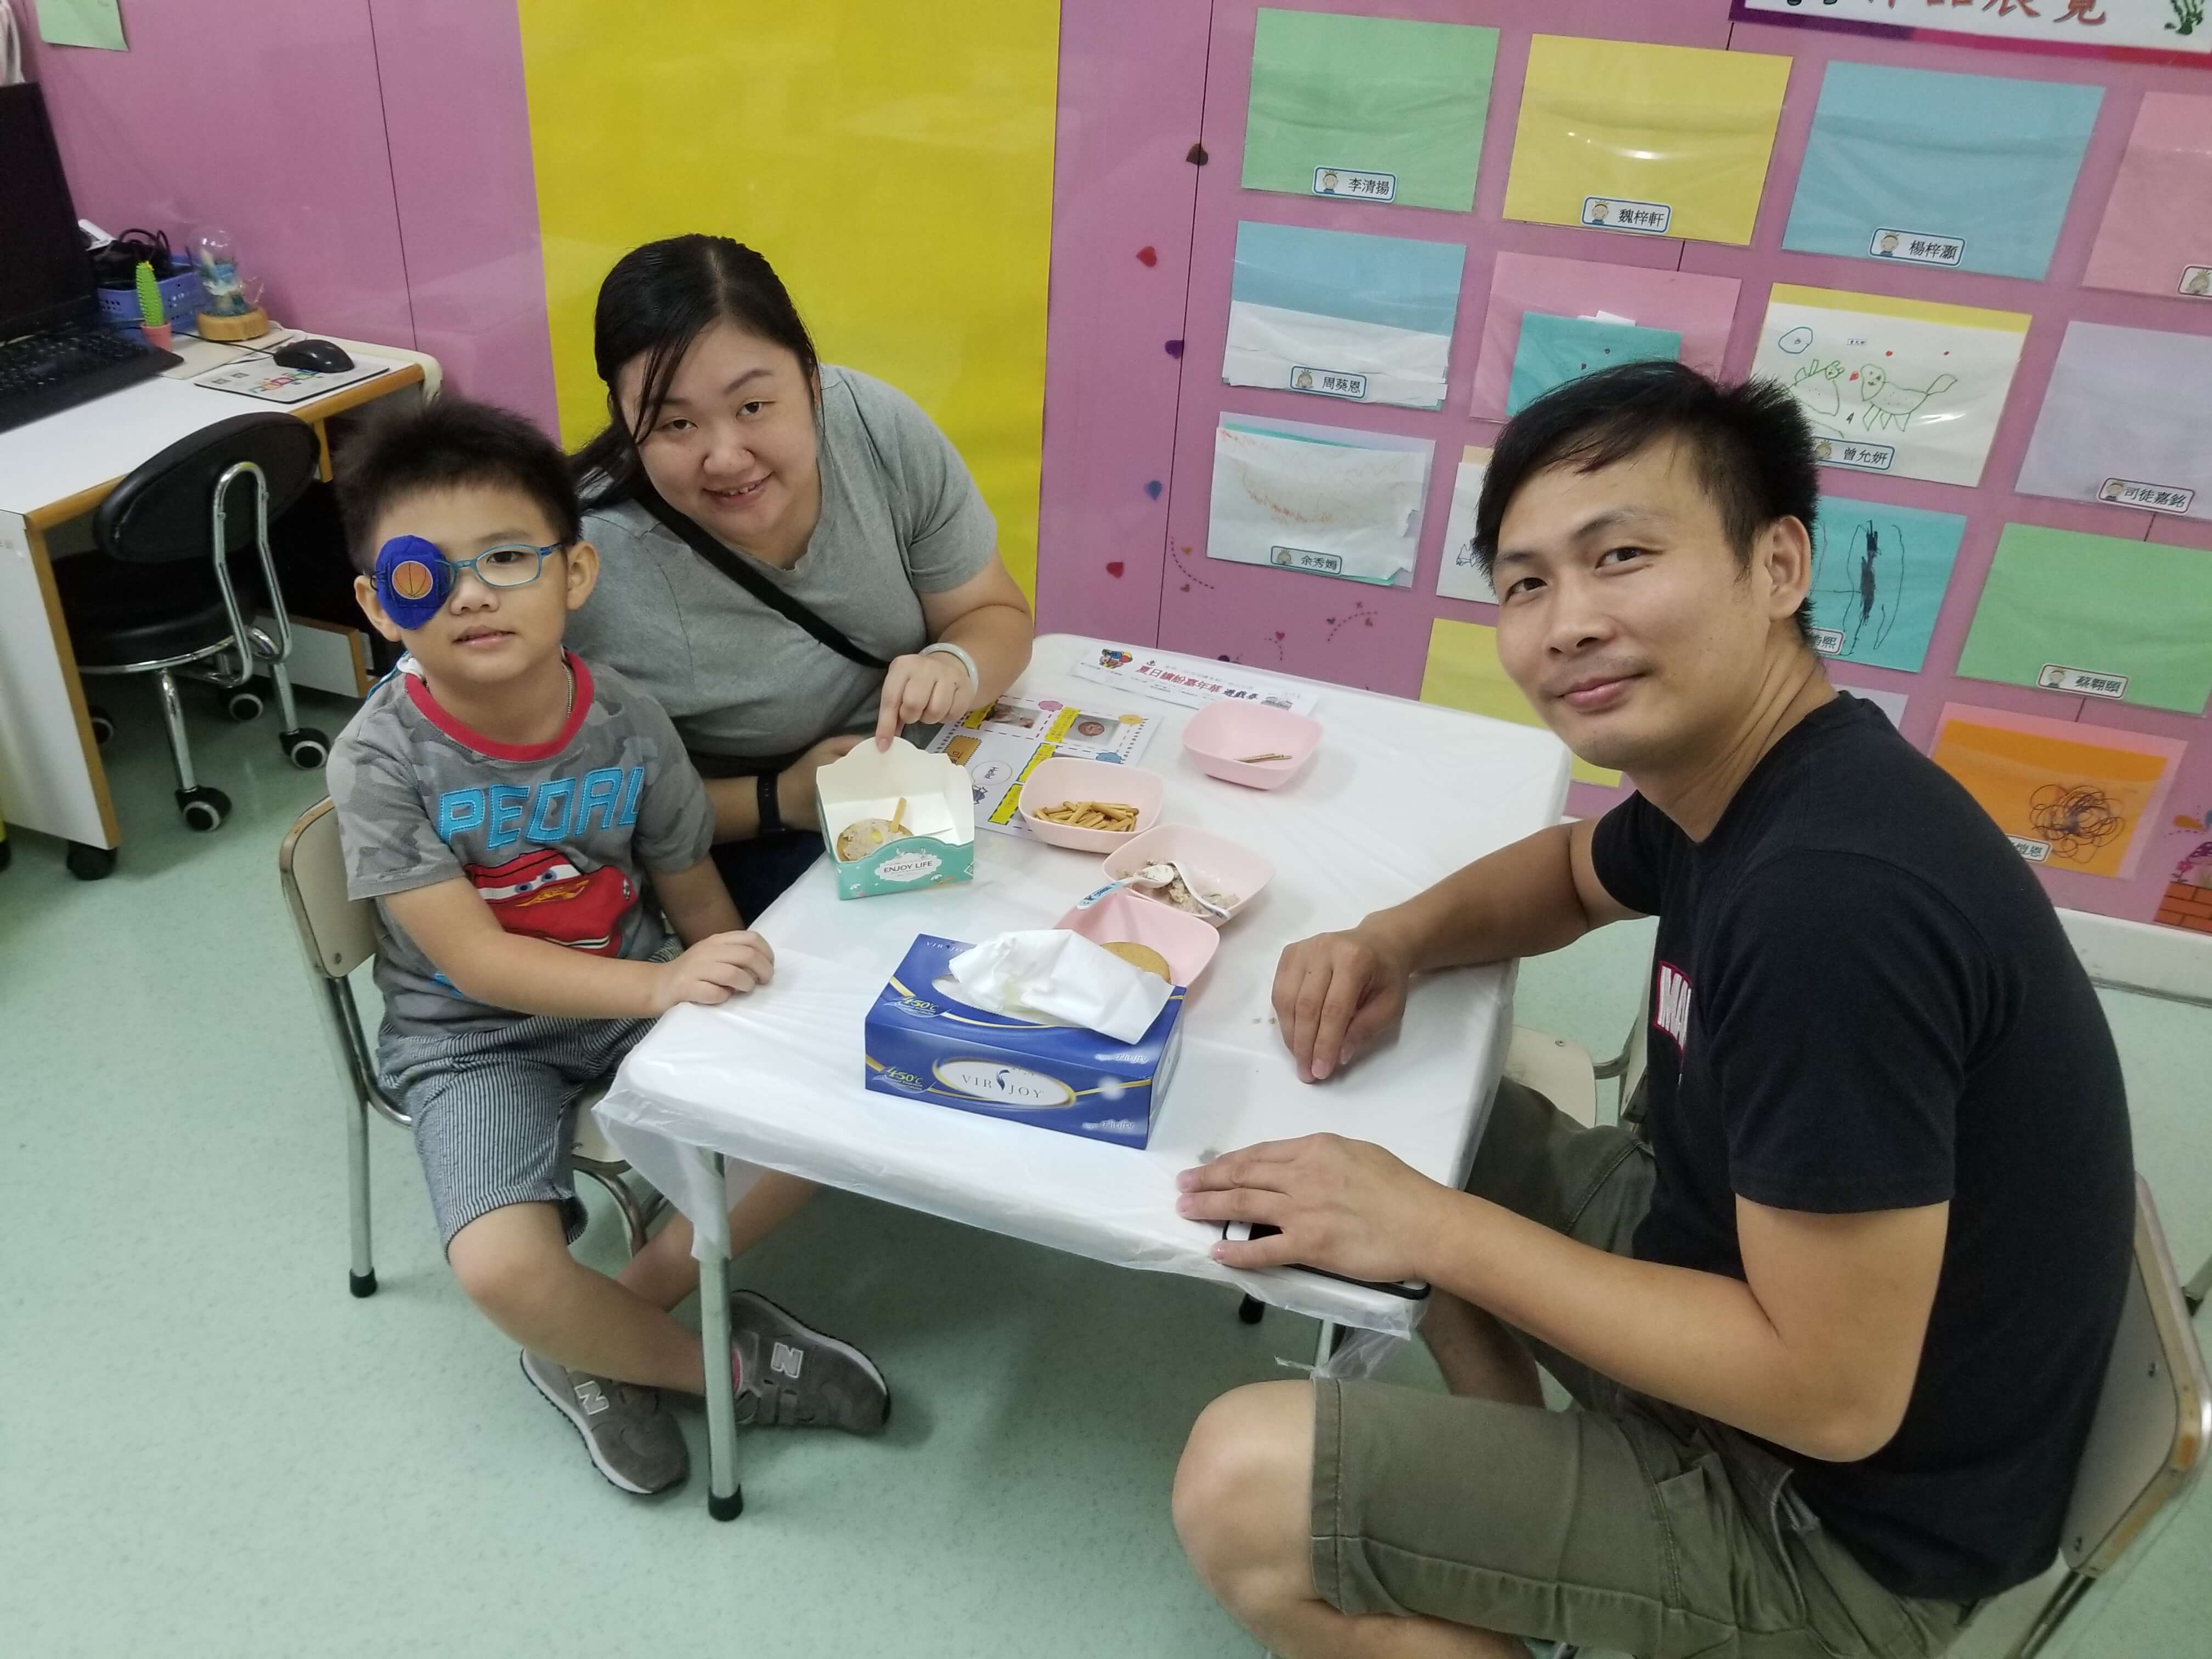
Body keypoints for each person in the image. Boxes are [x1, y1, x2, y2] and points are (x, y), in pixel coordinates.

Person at [1169, 362, 2133, 1658]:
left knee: (1240, 1487)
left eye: (1620, 556)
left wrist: (1433, 1230)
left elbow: (1833, 1399)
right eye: (1526, 584)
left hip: (1838, 1531)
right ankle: (1516, 1496)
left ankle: (1529, 1535)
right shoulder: (1764, 775)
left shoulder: (1831, 903)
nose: (1568, 623)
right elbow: (1574, 875)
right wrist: (1392, 939)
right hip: (1733, 1277)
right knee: (1418, 1122)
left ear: (1778, 564)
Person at [328, 398, 890, 1498]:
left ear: (575, 573)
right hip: (474, 1041)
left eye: (507, 557)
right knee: (500, 1269)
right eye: (423, 573)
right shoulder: (380, 762)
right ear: (379, 604)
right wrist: (662, 982)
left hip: (637, 1001)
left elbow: (694, 892)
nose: (472, 593)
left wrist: (752, 1006)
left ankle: (598, 1334)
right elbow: (478, 964)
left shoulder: (627, 721)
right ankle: (720, 1369)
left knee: (825, 1123)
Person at [566, 234, 1034, 921]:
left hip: (931, 784)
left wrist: (955, 664)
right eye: (676, 423)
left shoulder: (875, 430)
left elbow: (996, 614)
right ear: (625, 421)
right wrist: (777, 798)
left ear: (812, 381)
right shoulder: (581, 563)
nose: (727, 458)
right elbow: (568, 806)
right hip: (744, 845)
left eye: (753, 407)